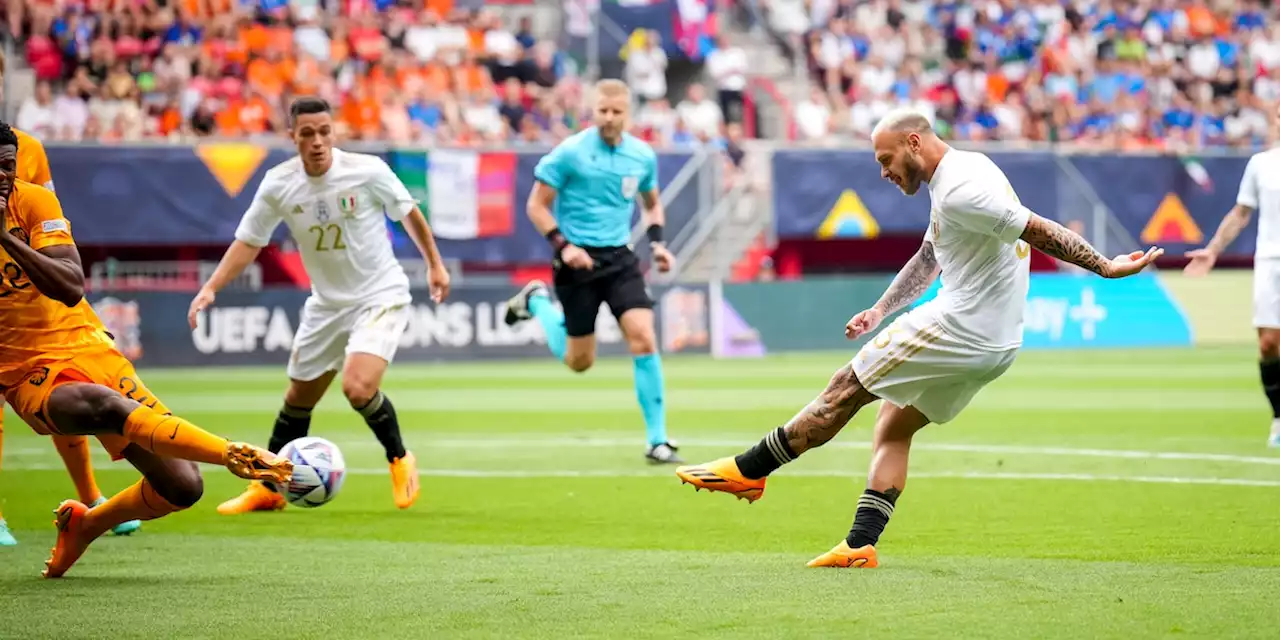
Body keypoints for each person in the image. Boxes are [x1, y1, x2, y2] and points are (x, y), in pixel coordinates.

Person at [674, 110, 1164, 567]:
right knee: (893, 425)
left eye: (886, 160)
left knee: (844, 388)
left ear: (913, 142)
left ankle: (751, 468)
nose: (884, 172)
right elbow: (930, 256)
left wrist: (1104, 266)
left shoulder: (961, 190)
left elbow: (1038, 229)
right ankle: (861, 545)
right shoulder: (964, 171)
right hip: (998, 344)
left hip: (958, 327)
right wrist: (881, 310)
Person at [0, 120, 290, 577]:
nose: (4, 179)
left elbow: (71, 286)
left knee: (182, 486)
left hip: (87, 344)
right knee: (97, 406)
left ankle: (88, 523)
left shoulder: (33, 200)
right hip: (25, 371)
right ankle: (231, 452)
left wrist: (5, 238)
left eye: (9, 167)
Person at [192, 97, 451, 514]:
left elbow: (409, 214)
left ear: (334, 131)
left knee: (357, 387)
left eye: (324, 131)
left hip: (379, 295)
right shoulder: (279, 183)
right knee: (298, 399)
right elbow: (249, 241)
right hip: (327, 305)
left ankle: (401, 459)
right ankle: (268, 490)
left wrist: (435, 266)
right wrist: (211, 288)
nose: (317, 141)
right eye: (307, 133)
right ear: (292, 135)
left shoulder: (367, 171)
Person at [0, 48, 141, 546]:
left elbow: (45, 216)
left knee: (64, 383)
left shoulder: (27, 148)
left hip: (22, 291)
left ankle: (92, 496)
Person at [502, 79, 681, 464]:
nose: (609, 118)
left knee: (644, 338)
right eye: (603, 111)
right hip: (575, 261)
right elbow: (536, 206)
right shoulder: (569, 154)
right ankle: (535, 301)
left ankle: (657, 440)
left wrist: (659, 243)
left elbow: (652, 205)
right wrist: (564, 247)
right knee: (579, 361)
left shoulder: (642, 156)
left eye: (617, 112)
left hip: (620, 259)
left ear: (628, 114)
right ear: (592, 110)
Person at [1184, 135, 1280, 447]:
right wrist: (1212, 250)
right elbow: (1241, 213)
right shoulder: (1262, 164)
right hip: (1270, 261)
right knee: (1268, 345)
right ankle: (1279, 416)